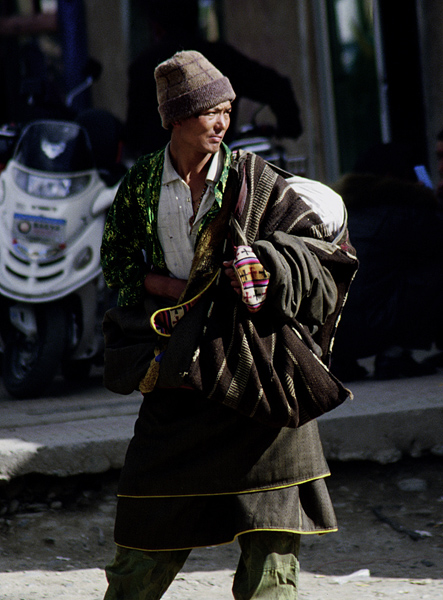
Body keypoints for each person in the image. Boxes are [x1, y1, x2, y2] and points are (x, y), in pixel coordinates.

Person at [100, 50, 357, 599]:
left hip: (259, 379)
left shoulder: (256, 181)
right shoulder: (139, 189)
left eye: (227, 110)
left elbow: (320, 250)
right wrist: (179, 292)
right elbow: (119, 267)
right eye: (208, 111)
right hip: (182, 374)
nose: (221, 123)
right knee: (142, 547)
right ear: (175, 117)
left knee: (271, 565)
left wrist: (264, 264)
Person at [125, 0, 303, 158]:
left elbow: (133, 134)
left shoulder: (144, 66)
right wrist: (288, 127)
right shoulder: (221, 57)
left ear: (156, 25)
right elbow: (276, 87)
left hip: (163, 177)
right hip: (217, 173)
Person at [331, 142, 443, 381]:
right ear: (395, 177)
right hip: (376, 329)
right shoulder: (405, 209)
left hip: (334, 333)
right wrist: (433, 202)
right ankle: (394, 355)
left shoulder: (335, 210)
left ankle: (341, 362)